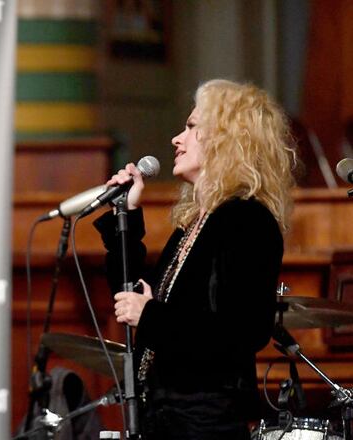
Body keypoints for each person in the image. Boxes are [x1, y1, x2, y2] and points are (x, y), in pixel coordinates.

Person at [94, 79, 295, 439]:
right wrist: (125, 216)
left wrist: (150, 315)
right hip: (164, 416)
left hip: (205, 422)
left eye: (190, 127)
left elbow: (243, 330)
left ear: (227, 138)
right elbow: (134, 297)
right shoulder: (196, 223)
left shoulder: (247, 220)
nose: (177, 139)